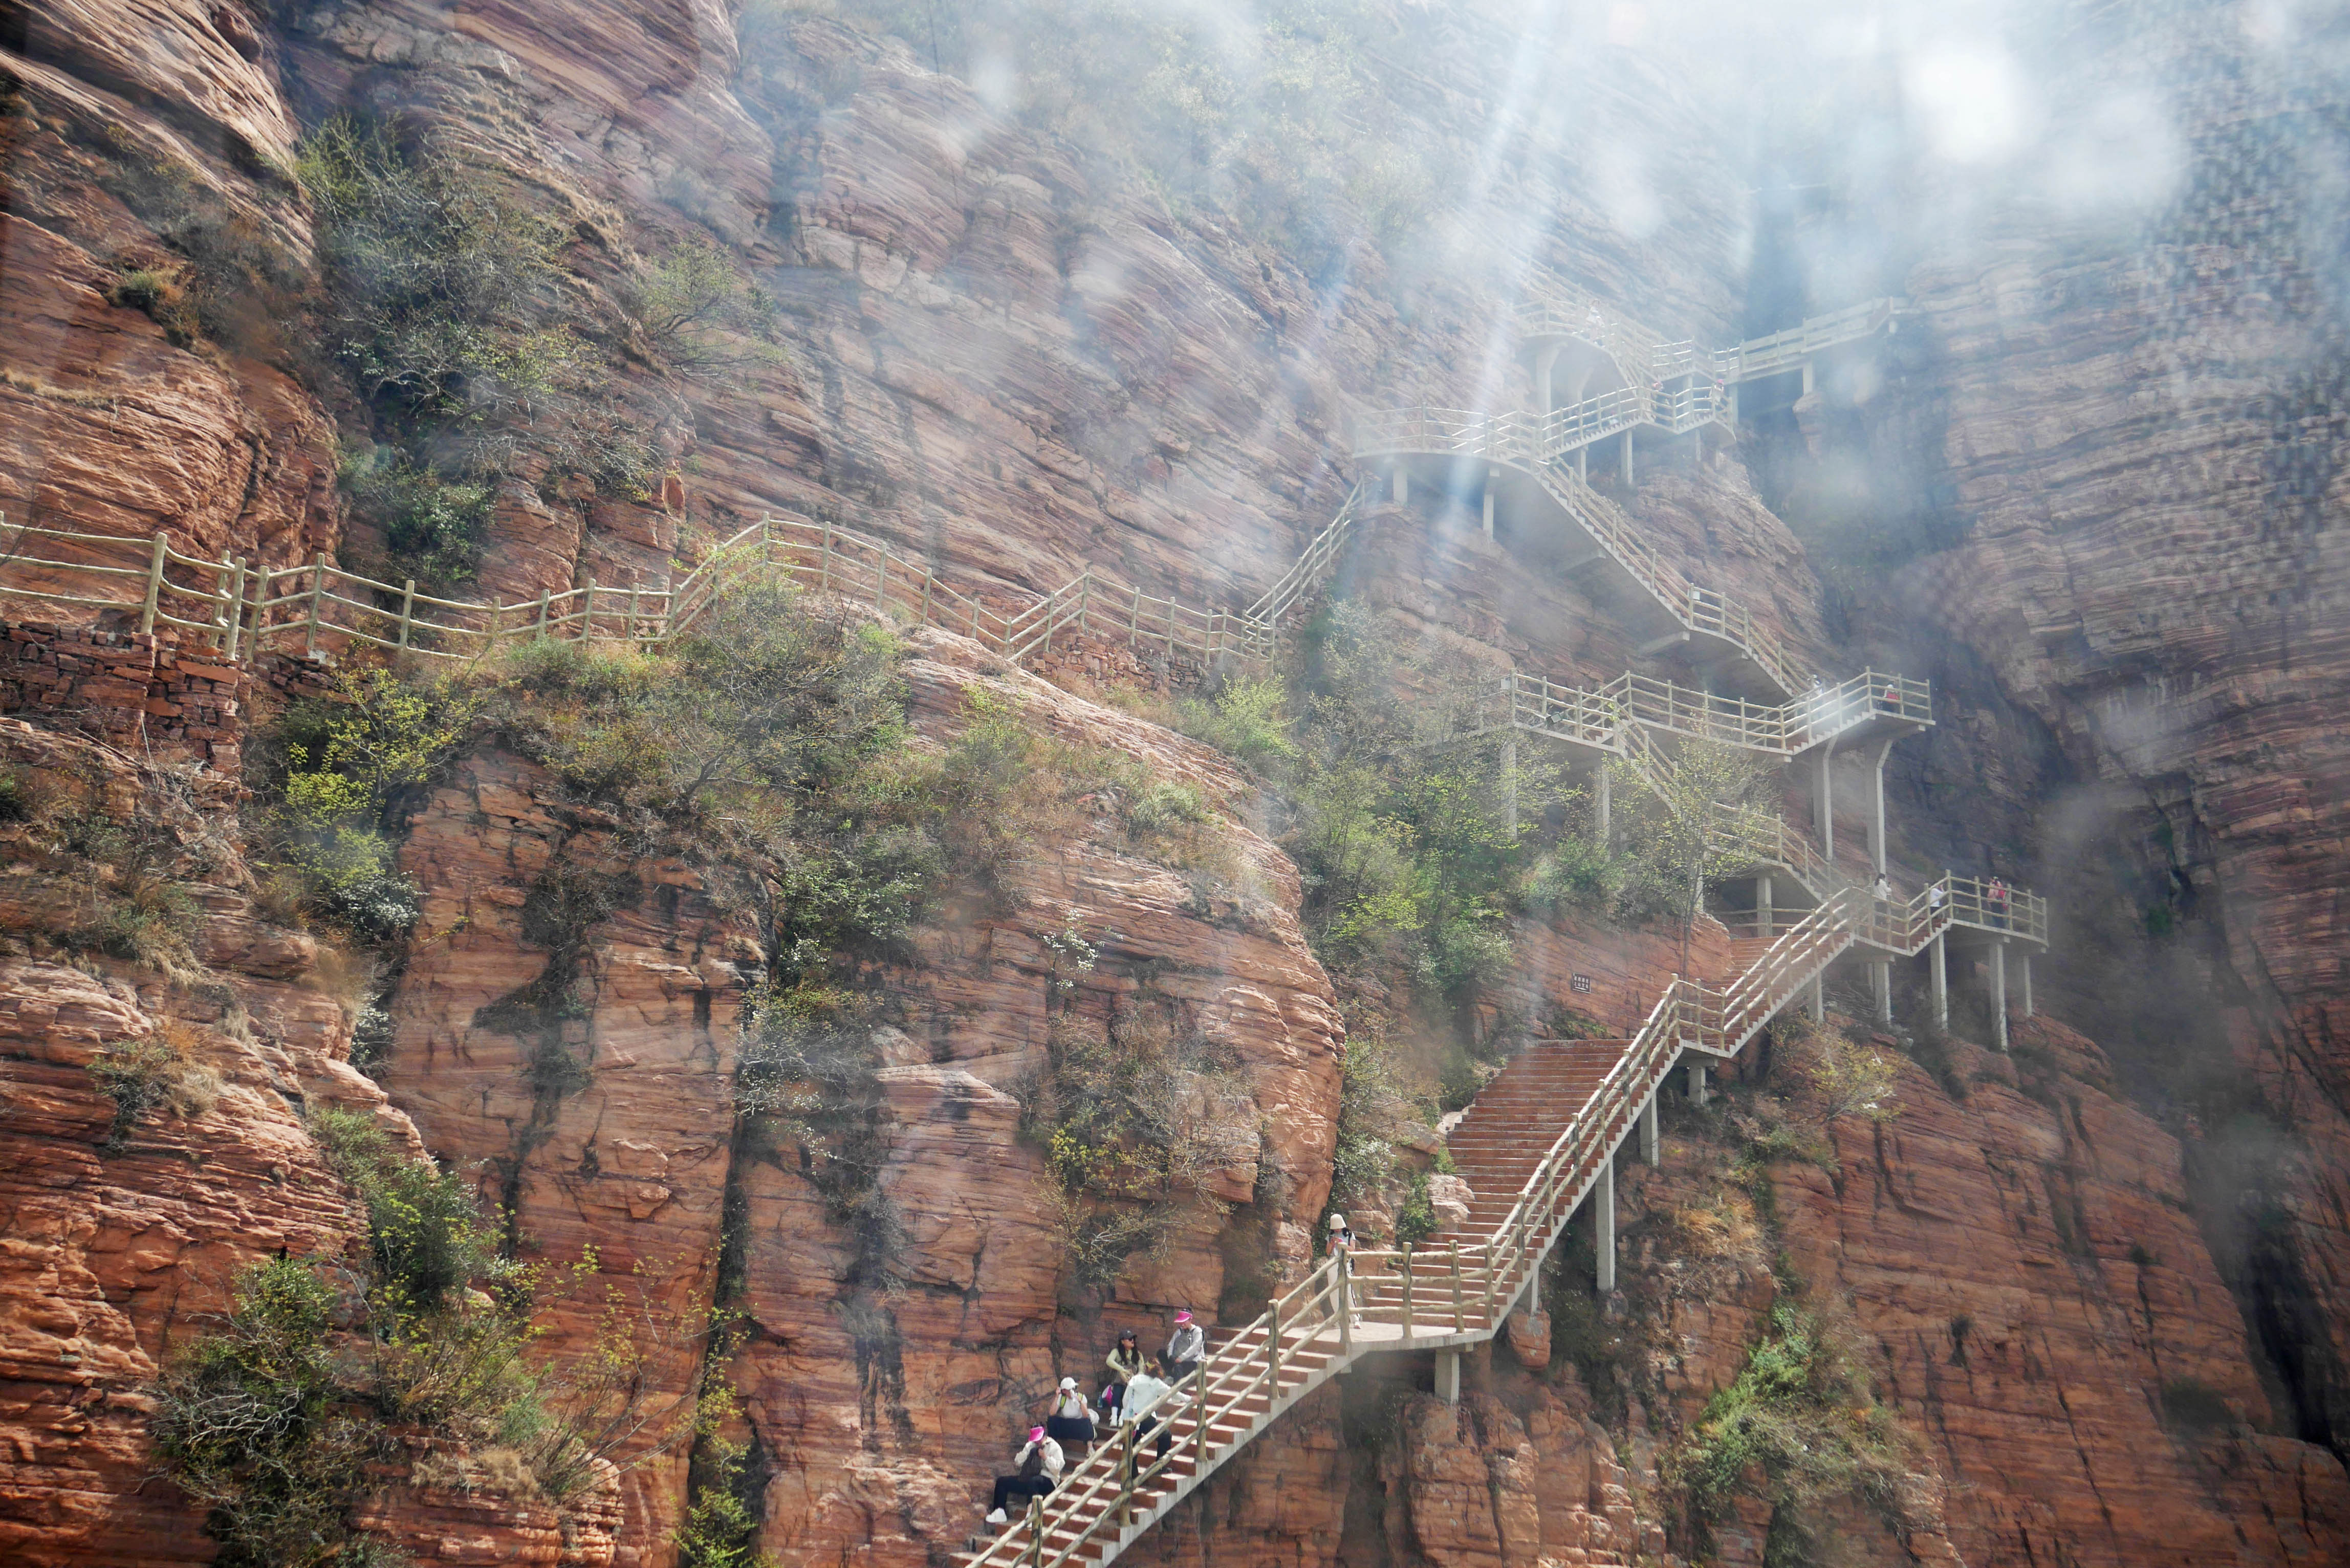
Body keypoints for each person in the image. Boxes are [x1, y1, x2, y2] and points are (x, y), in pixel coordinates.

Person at [1117, 1355, 1179, 1461]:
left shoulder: (1135, 1379)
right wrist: (1189, 1399)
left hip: (1131, 1417)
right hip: (1145, 1418)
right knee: (1166, 1436)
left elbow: (1125, 1400)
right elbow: (1173, 1394)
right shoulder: (1156, 1383)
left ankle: (1131, 1474)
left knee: (1131, 1445)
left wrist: (1128, 1412)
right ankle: (1160, 1465)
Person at [985, 1438, 1054, 1526]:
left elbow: (1057, 1469)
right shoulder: (1030, 1445)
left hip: (1047, 1481)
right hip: (1028, 1479)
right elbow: (1018, 1462)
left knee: (1033, 1482)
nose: (1037, 1441)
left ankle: (1031, 1516)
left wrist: (1045, 1457)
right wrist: (1027, 1453)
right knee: (1002, 1482)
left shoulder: (1054, 1447)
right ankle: (999, 1512)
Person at [1327, 1212, 1360, 1326]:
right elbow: (1327, 1252)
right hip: (1333, 1264)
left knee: (1348, 1290)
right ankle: (1337, 1317)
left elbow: (1352, 1249)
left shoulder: (1349, 1234)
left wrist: (1342, 1244)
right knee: (1333, 1291)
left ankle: (1355, 1318)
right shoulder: (1330, 1235)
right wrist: (1331, 1244)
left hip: (1345, 1263)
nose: (1336, 1230)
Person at [1102, 1329, 1144, 1419]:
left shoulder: (1138, 1354)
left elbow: (1142, 1370)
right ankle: (1114, 1417)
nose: (1132, 1340)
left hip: (1132, 1383)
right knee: (1118, 1389)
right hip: (1118, 1382)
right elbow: (1109, 1361)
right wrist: (1122, 1369)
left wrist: (1135, 1377)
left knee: (1128, 1393)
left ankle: (1122, 1417)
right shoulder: (1116, 1351)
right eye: (1129, 1339)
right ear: (1122, 1341)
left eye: (1133, 1338)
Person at [1045, 1376, 1095, 1450]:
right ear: (1064, 1391)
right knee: (1052, 1420)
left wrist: (1080, 1402)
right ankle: (1051, 1447)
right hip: (1066, 1425)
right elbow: (1052, 1413)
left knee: (1087, 1422)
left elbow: (1086, 1415)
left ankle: (1090, 1448)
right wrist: (1056, 1397)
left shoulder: (1081, 1397)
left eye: (1073, 1388)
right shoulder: (1062, 1398)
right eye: (1069, 1389)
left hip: (1078, 1426)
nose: (1072, 1391)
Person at [1162, 1310, 1204, 1379]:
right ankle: (1170, 1375)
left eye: (1184, 1322)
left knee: (1178, 1368)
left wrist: (1181, 1358)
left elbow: (1194, 1347)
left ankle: (1177, 1387)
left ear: (1190, 1320)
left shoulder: (1198, 1331)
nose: (1182, 1324)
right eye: (1181, 1322)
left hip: (1192, 1361)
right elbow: (1171, 1344)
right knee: (1161, 1353)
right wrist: (1171, 1356)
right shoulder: (1179, 1331)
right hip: (1177, 1359)